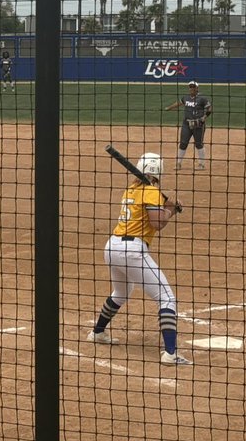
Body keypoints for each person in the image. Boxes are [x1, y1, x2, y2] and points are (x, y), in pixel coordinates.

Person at [85, 152, 190, 365]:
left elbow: (154, 209)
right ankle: (171, 353)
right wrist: (170, 209)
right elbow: (157, 223)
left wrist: (167, 205)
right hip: (132, 250)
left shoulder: (131, 190)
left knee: (122, 291)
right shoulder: (150, 192)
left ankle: (98, 332)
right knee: (166, 297)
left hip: (113, 247)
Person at [164, 80, 212, 169]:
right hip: (186, 124)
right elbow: (179, 103)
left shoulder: (202, 98)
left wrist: (204, 117)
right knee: (183, 143)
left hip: (198, 125)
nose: (192, 88)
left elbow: (209, 108)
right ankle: (178, 163)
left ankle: (201, 164)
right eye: (190, 87)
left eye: (193, 87)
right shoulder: (186, 98)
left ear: (197, 88)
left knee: (198, 144)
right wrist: (169, 108)